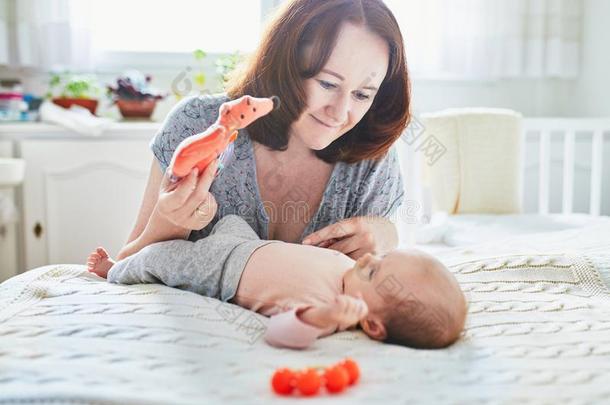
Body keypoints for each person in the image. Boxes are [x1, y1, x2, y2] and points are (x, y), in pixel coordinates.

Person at [115, 0, 410, 263]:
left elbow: (376, 283)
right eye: (328, 84)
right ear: (285, 64)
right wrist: (170, 222)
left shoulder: (372, 157)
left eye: (362, 95)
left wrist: (387, 236)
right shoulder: (198, 123)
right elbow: (124, 267)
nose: (340, 112)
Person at [88, 215, 467, 349]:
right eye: (380, 257)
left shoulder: (329, 311)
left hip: (222, 270)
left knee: (162, 257)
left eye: (373, 271)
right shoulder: (348, 275)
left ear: (371, 323)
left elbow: (282, 333)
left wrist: (319, 318)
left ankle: (116, 270)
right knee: (230, 219)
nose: (367, 258)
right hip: (247, 242)